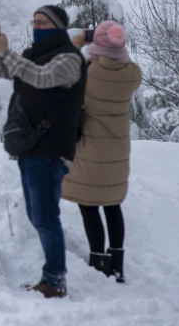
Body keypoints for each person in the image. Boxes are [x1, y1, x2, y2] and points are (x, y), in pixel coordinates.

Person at [0, 5, 86, 299]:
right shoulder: (34, 55)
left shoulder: (69, 58)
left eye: (42, 22)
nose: (36, 25)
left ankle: (55, 280)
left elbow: (41, 78)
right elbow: (6, 69)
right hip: (31, 145)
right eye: (34, 21)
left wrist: (7, 53)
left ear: (57, 26)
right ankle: (52, 277)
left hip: (50, 147)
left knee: (45, 216)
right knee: (38, 214)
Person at [62, 20, 142, 283]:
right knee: (112, 205)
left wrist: (77, 45)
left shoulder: (88, 72)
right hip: (117, 151)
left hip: (89, 150)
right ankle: (117, 264)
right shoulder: (131, 74)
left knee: (89, 206)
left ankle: (98, 262)